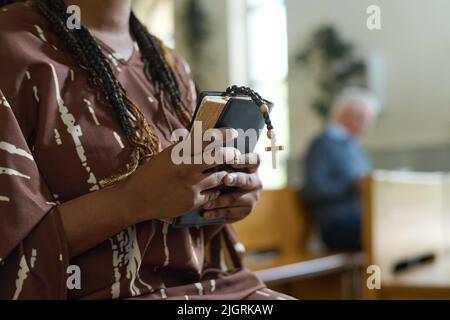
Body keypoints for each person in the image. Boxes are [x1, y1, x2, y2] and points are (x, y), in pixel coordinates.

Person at [0, 0, 293, 300]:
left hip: (208, 290)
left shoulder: (169, 64)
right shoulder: (12, 45)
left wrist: (222, 200)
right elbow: (12, 256)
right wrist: (132, 199)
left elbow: (185, 239)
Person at [302, 87, 380, 251]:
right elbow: (313, 190)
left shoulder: (354, 146)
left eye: (368, 121)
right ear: (344, 114)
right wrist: (352, 184)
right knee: (384, 231)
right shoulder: (322, 144)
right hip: (336, 225)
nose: (365, 126)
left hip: (358, 218)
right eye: (361, 119)